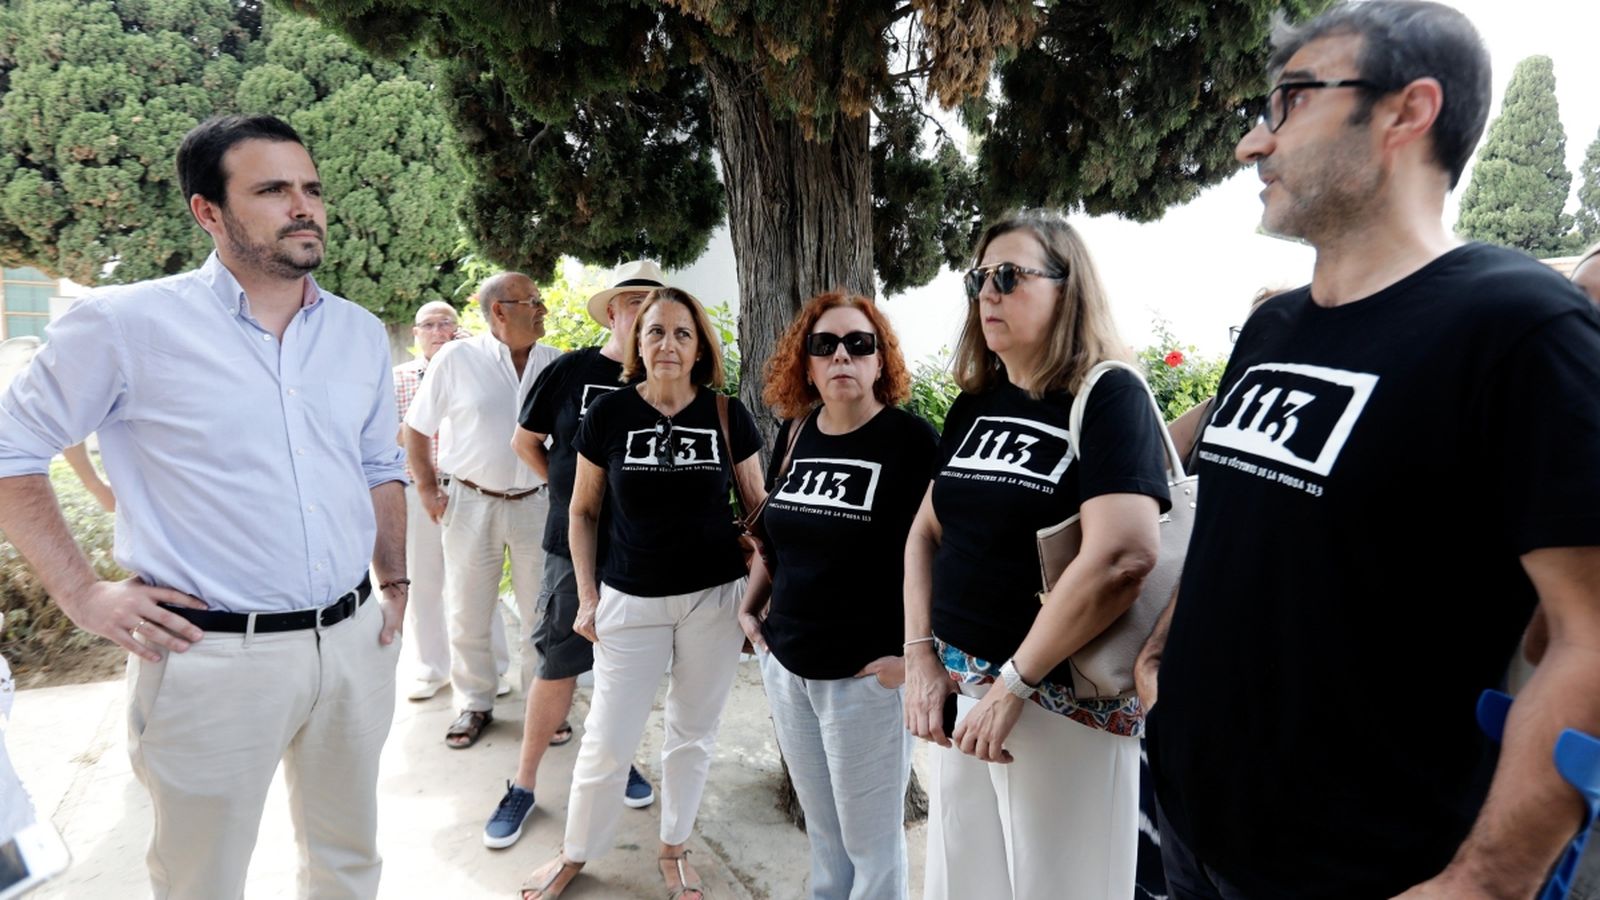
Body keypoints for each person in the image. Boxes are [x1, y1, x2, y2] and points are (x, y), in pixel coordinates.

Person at [1138, 4, 1600, 898]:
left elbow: (1589, 631)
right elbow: (1245, 528)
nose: (1252, 143)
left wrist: (1489, 880)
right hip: (1191, 836)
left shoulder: (1521, 327)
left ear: (1407, 111)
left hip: (1355, 869)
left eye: (1289, 102)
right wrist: (1162, 666)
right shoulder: (1271, 327)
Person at [0, 114, 408, 899]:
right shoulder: (126, 325)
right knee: (202, 879)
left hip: (355, 642)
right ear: (208, 212)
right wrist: (83, 593)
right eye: (273, 189)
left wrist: (394, 582)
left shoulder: (356, 332)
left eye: (312, 188)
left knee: (350, 860)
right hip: (211, 659)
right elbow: (12, 451)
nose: (305, 206)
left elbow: (378, 465)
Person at [903, 210, 1172, 899]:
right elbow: (925, 531)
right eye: (979, 279)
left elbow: (1124, 555)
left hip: (1060, 702)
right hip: (969, 692)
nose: (987, 292)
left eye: (1009, 276)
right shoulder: (977, 404)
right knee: (966, 886)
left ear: (1068, 287)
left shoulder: (1108, 396)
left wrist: (1015, 684)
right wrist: (921, 656)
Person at [520, 287, 760, 900]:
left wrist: (759, 601)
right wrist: (589, 596)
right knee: (607, 736)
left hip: (714, 601)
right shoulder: (610, 415)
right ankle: (575, 851)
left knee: (692, 733)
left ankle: (674, 848)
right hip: (630, 598)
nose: (668, 345)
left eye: (682, 333)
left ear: (700, 344)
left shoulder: (727, 414)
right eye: (655, 332)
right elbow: (582, 512)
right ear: (636, 341)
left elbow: (759, 511)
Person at [737, 290, 937, 900]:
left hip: (866, 680)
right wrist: (751, 608)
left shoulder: (911, 442)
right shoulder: (796, 433)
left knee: (872, 848)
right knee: (824, 836)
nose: (841, 356)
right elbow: (776, 538)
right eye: (824, 346)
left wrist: (916, 658)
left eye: (859, 343)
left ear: (881, 361)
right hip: (788, 666)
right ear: (807, 363)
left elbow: (945, 556)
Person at [483, 262, 664, 849]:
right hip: (572, 548)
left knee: (626, 669)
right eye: (635, 302)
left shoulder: (668, 378)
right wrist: (567, 493)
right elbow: (526, 441)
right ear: (613, 312)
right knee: (558, 663)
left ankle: (620, 759)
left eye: (657, 303)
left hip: (642, 555)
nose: (647, 314)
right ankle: (524, 784)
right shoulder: (570, 370)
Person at [403, 273, 560, 748]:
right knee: (469, 608)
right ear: (499, 310)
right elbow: (415, 429)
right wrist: (429, 490)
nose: (543, 310)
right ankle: (475, 703)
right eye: (532, 301)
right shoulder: (457, 359)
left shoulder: (556, 363)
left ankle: (544, 705)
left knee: (543, 610)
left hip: (538, 503)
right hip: (471, 502)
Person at [395, 299, 517, 701]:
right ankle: (431, 669)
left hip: (470, 488)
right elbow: (395, 434)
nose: (436, 331)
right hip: (419, 488)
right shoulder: (400, 379)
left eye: (445, 323)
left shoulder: (477, 369)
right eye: (427, 325)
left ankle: (495, 669)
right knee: (425, 583)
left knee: (479, 583)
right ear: (415, 335)